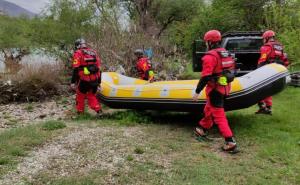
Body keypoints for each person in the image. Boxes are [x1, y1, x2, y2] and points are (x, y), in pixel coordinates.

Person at [192, 30, 238, 154]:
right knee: (208, 108)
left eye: (206, 42)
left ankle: (230, 142)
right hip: (225, 88)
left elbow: (206, 77)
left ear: (209, 42)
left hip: (215, 90)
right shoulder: (226, 53)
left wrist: (197, 92)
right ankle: (201, 128)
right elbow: (233, 70)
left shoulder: (210, 57)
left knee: (219, 116)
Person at [255, 30, 289, 115]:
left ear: (266, 38)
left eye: (263, 39)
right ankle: (269, 108)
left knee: (259, 88)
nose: (263, 40)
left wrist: (258, 71)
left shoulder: (266, 47)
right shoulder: (280, 46)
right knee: (269, 89)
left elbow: (262, 60)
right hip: (276, 70)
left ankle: (262, 107)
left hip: (267, 69)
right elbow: (285, 60)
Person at [70, 38, 102, 116]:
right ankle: (98, 110)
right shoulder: (93, 52)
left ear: (77, 45)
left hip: (84, 79)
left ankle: (80, 113)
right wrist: (99, 82)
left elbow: (76, 68)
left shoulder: (78, 53)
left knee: (80, 94)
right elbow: (99, 68)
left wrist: (73, 82)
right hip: (95, 78)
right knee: (91, 95)